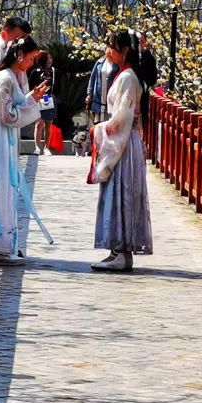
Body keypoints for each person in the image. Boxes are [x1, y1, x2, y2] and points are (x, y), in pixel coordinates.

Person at [0, 36, 49, 266]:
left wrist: (31, 99)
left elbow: (12, 108)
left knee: (6, 185)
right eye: (31, 58)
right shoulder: (4, 78)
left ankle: (0, 243)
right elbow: (6, 114)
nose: (32, 63)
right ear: (19, 55)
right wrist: (31, 106)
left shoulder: (11, 77)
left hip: (3, 135)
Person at [89, 29, 153, 272]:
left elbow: (123, 117)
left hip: (124, 145)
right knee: (118, 194)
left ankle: (122, 250)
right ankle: (117, 250)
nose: (109, 50)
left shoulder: (127, 78)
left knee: (121, 194)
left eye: (112, 46)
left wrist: (100, 129)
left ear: (125, 51)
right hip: (126, 141)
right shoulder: (127, 75)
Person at [29, 51, 57, 155]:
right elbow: (30, 85)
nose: (49, 60)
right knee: (39, 123)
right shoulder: (35, 71)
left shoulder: (53, 71)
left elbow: (57, 85)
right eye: (47, 58)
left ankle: (46, 147)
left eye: (51, 58)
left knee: (48, 123)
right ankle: (37, 147)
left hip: (48, 98)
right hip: (38, 98)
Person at [85, 45, 114, 123]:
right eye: (108, 48)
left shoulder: (117, 64)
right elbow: (92, 78)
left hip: (111, 101)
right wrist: (89, 94)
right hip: (98, 99)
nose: (109, 51)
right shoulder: (100, 62)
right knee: (98, 125)